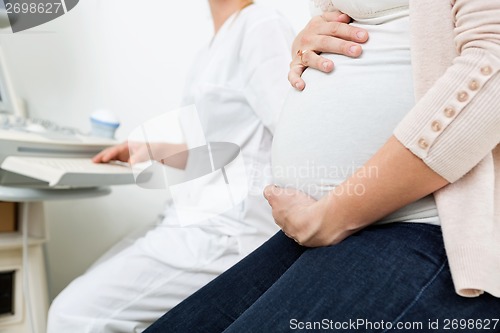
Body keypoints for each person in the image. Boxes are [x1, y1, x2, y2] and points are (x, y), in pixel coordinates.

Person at [144, 0, 500, 332]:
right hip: (331, 224)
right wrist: (310, 40)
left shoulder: (256, 25)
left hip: (430, 224)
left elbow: (493, 64)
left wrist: (335, 214)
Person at [46, 1, 369, 332]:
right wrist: (155, 150)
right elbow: (229, 147)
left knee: (71, 314)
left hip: (227, 233)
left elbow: (294, 135)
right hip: (192, 219)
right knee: (92, 284)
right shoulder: (213, 46)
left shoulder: (260, 26)